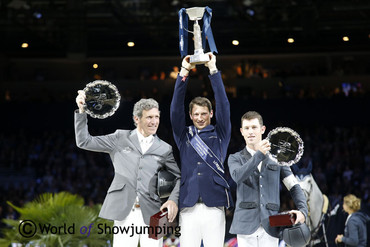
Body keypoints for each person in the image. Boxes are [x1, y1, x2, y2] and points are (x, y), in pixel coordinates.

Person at [74, 93, 180, 247]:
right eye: (149, 117)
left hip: (153, 213)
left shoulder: (164, 148)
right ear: (137, 119)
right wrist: (82, 111)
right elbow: (84, 141)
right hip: (125, 211)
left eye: (156, 117)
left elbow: (178, 177)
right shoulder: (119, 138)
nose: (154, 121)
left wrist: (172, 200)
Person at [170, 52, 233, 247]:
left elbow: (223, 104)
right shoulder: (183, 135)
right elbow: (175, 109)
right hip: (188, 206)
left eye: (204, 113)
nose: (200, 117)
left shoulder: (221, 134)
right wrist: (184, 72)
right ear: (190, 115)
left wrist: (213, 71)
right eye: (196, 114)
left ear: (211, 114)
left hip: (214, 205)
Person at [228, 111, 308, 247]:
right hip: (245, 225)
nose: (250, 132)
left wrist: (303, 211)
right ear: (241, 131)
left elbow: (294, 186)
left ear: (262, 129)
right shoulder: (235, 158)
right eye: (246, 128)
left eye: (254, 127)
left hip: (271, 226)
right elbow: (238, 176)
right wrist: (259, 154)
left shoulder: (278, 158)